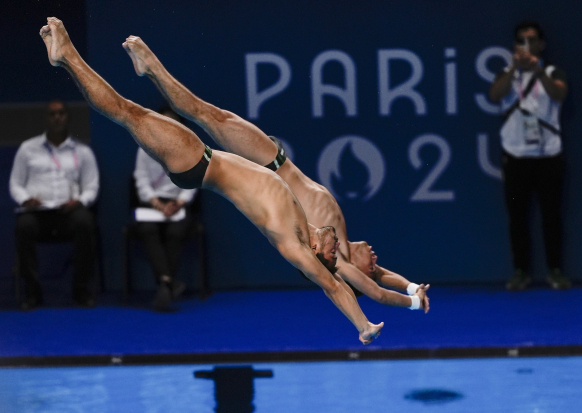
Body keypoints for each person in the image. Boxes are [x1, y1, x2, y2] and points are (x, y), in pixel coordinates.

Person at [39, 17, 391, 344]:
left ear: (316, 254)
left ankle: (67, 57)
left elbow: (333, 285)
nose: (337, 250)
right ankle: (147, 66)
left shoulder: (293, 244)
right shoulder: (307, 221)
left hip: (197, 164)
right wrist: (408, 289)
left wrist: (362, 325)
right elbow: (352, 275)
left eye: (331, 255)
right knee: (175, 111)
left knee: (127, 112)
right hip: (202, 157)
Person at [122, 35, 430, 313]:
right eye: (376, 264)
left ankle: (151, 67)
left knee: (206, 114)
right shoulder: (344, 247)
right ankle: (150, 70)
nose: (376, 260)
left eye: (371, 266)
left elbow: (377, 292)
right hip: (275, 159)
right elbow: (382, 277)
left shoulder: (341, 264)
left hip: (269, 165)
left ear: (357, 275)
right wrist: (412, 286)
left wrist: (412, 303)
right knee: (208, 114)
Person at [488, 21, 571, 291]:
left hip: (548, 154)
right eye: (521, 40)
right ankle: (520, 271)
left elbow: (559, 93)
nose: (526, 45)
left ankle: (555, 271)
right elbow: (494, 95)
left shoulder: (551, 70)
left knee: (551, 215)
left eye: (531, 40)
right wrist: (514, 68)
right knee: (518, 217)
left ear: (540, 45)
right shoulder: (505, 73)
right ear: (514, 46)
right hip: (515, 154)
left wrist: (536, 69)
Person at [9, 99, 100, 309]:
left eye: (61, 113)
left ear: (67, 117)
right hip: (38, 214)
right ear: (46, 118)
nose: (57, 117)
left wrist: (79, 201)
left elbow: (92, 186)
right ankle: (32, 292)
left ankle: (81, 290)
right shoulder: (28, 149)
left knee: (86, 223)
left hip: (69, 213)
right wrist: (25, 199)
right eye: (52, 114)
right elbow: (15, 184)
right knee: (24, 226)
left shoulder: (82, 151)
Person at [133, 107, 199, 310]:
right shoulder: (144, 147)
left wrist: (179, 203)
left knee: (175, 232)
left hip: (178, 203)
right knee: (146, 229)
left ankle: (164, 283)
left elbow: (194, 180)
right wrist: (159, 205)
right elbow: (141, 180)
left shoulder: (189, 148)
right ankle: (168, 283)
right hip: (154, 204)